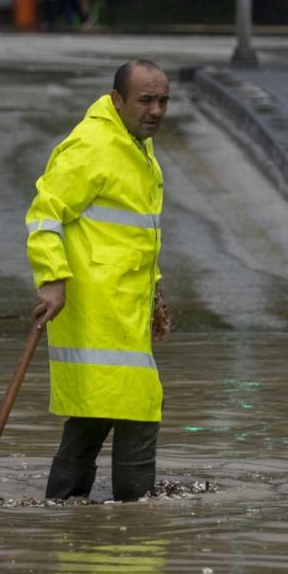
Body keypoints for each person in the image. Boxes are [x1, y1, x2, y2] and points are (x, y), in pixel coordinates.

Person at [26, 60, 173, 502]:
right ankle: (136, 525)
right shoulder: (93, 146)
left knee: (93, 416)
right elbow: (44, 215)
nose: (157, 110)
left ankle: (66, 515)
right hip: (95, 312)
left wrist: (156, 294)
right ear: (117, 100)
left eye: (164, 100)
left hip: (122, 310)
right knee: (138, 410)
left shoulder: (135, 148)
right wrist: (52, 279)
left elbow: (135, 236)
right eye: (146, 100)